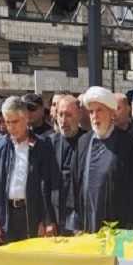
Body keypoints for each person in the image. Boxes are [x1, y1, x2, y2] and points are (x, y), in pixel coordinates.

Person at [0, 96, 57, 243]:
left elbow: (47, 185)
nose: (11, 127)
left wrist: (46, 220)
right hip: (7, 216)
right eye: (7, 122)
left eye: (15, 122)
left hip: (31, 215)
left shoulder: (42, 146)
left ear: (26, 118)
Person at [74, 86, 133, 234]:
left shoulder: (126, 143)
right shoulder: (83, 142)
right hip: (87, 225)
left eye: (99, 110)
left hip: (117, 227)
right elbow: (75, 184)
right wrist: (76, 224)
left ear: (111, 113)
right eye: (91, 112)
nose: (94, 116)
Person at [48, 95, 85, 236]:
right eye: (60, 114)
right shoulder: (49, 144)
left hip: (80, 219)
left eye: (69, 115)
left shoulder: (88, 142)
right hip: (56, 218)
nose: (63, 121)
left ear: (79, 115)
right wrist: (48, 220)